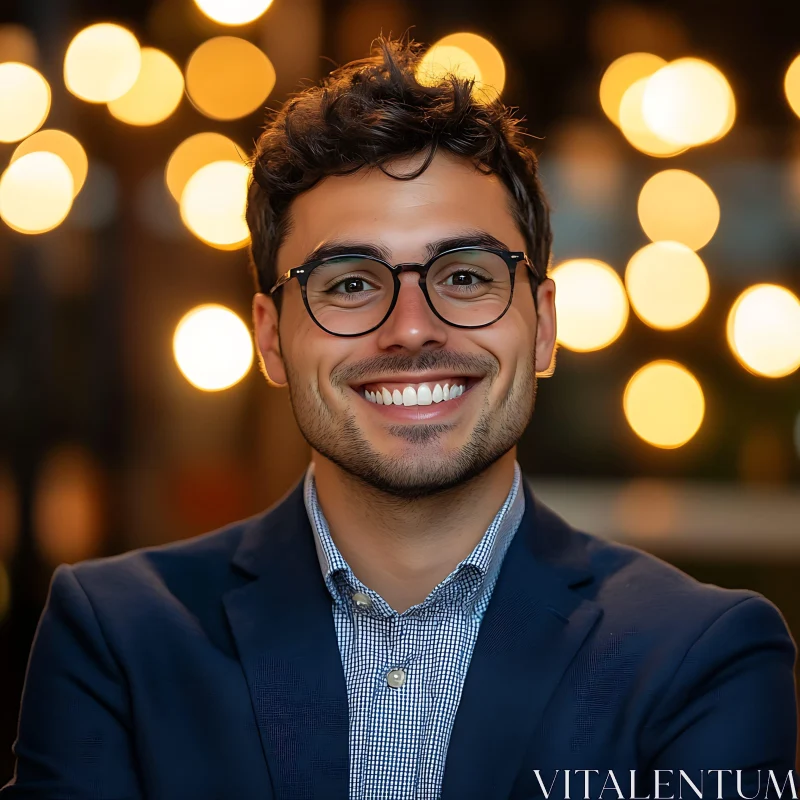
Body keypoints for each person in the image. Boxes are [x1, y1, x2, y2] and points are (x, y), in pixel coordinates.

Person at [2, 35, 797, 800]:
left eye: (464, 275)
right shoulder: (117, 639)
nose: (412, 328)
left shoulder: (703, 657)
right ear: (272, 340)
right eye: (349, 284)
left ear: (545, 324)